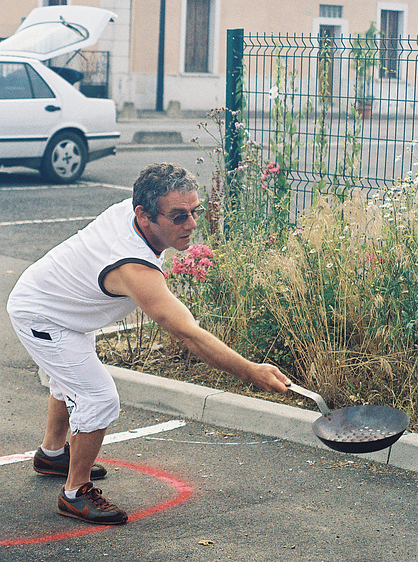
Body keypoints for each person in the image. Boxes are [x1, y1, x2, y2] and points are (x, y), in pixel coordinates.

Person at [7, 163, 291, 525]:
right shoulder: (134, 268)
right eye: (178, 216)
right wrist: (251, 371)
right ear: (143, 214)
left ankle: (51, 455)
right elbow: (190, 335)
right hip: (42, 315)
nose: (191, 224)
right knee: (97, 397)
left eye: (194, 211)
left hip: (64, 301)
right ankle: (75, 493)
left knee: (71, 379)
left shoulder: (133, 214)